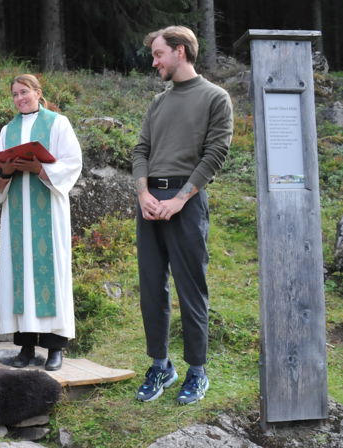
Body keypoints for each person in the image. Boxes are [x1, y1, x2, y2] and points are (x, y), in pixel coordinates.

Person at [132, 26, 233, 405]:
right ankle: (161, 365)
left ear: (179, 51)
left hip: (186, 202)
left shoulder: (215, 97)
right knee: (152, 288)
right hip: (150, 203)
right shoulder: (158, 103)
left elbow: (215, 154)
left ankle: (197, 371)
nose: (155, 62)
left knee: (192, 290)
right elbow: (141, 149)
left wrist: (180, 199)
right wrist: (143, 193)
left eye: (159, 54)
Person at [0, 74, 83, 371]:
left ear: (38, 93)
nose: (19, 98)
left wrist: (41, 168)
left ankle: (55, 349)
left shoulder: (58, 123)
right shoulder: (8, 130)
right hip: (16, 213)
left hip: (47, 213)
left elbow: (73, 162)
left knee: (49, 272)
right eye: (14, 94)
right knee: (20, 276)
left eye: (24, 92)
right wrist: (3, 172)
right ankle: (26, 349)